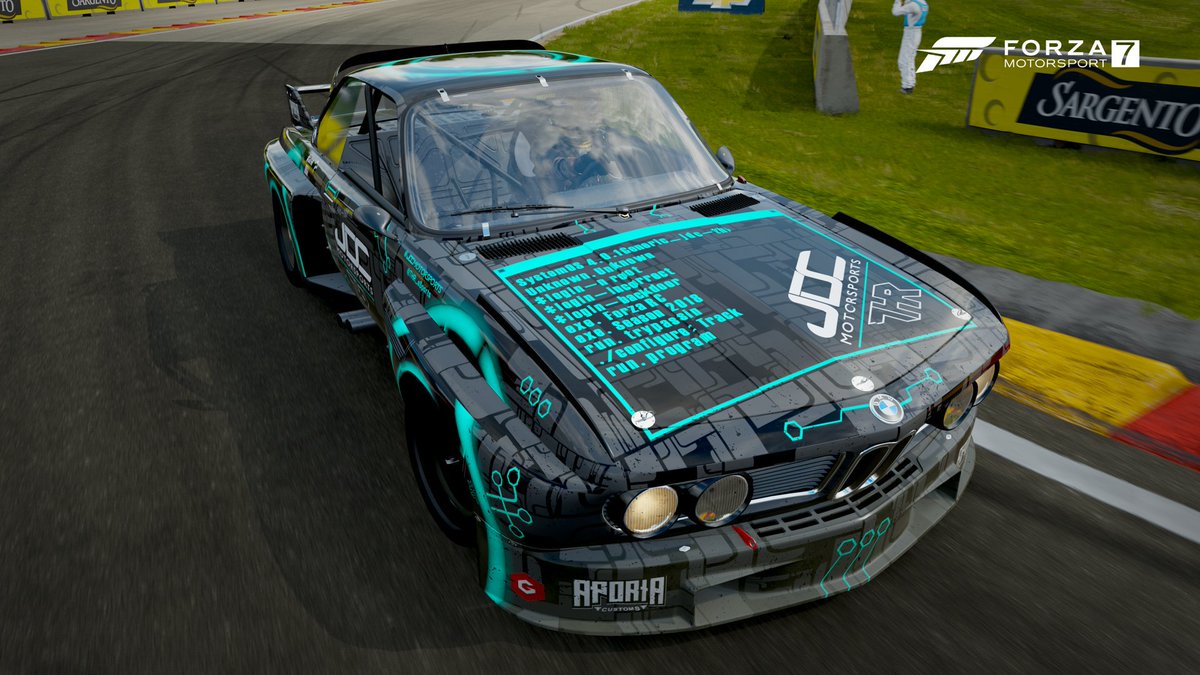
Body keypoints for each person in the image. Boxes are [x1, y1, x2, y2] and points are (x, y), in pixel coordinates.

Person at [892, 0, 928, 94]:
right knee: (909, 59)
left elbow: (895, 12)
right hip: (915, 32)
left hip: (911, 33)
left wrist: (897, 1)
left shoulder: (913, 5)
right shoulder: (923, 3)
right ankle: (909, 84)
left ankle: (907, 86)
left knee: (905, 60)